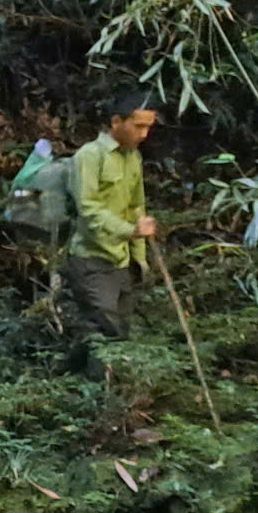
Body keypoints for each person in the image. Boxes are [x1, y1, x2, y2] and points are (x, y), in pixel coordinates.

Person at [68, 93, 159, 355]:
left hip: (122, 262)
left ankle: (74, 377)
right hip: (91, 260)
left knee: (114, 331)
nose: (144, 135)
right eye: (138, 126)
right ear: (117, 121)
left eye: (148, 127)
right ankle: (99, 391)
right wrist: (129, 231)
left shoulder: (134, 157)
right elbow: (88, 208)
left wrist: (140, 259)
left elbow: (136, 207)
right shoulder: (89, 156)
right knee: (110, 335)